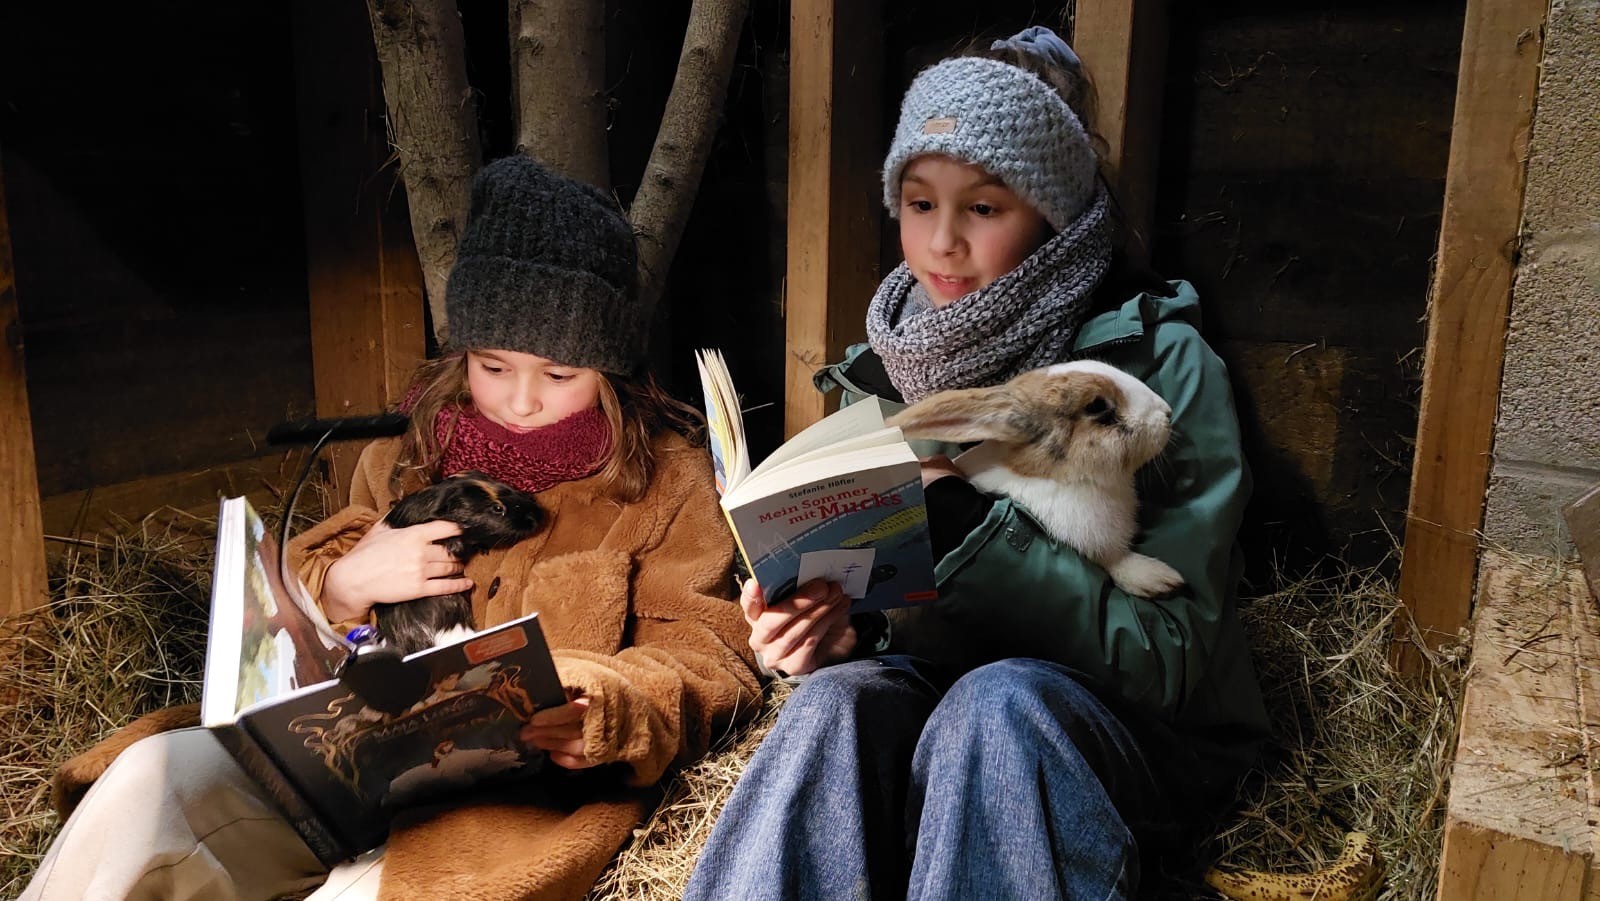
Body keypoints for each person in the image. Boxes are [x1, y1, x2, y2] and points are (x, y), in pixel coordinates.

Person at [24, 155, 761, 901]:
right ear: (462, 354)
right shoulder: (404, 455)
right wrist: (342, 587)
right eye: (493, 366)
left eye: (560, 374)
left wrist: (608, 703)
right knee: (150, 784)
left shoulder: (666, 482)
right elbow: (293, 600)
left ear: (611, 368)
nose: (522, 400)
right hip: (339, 772)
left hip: (510, 807)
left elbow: (711, 657)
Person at [684, 26, 1271, 901]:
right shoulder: (885, 376)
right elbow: (884, 623)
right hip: (943, 716)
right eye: (919, 203)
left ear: (1053, 214)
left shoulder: (1156, 370)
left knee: (997, 704)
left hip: (1118, 734)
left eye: (985, 208)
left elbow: (1171, 664)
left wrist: (967, 529)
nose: (942, 243)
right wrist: (839, 636)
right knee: (834, 707)